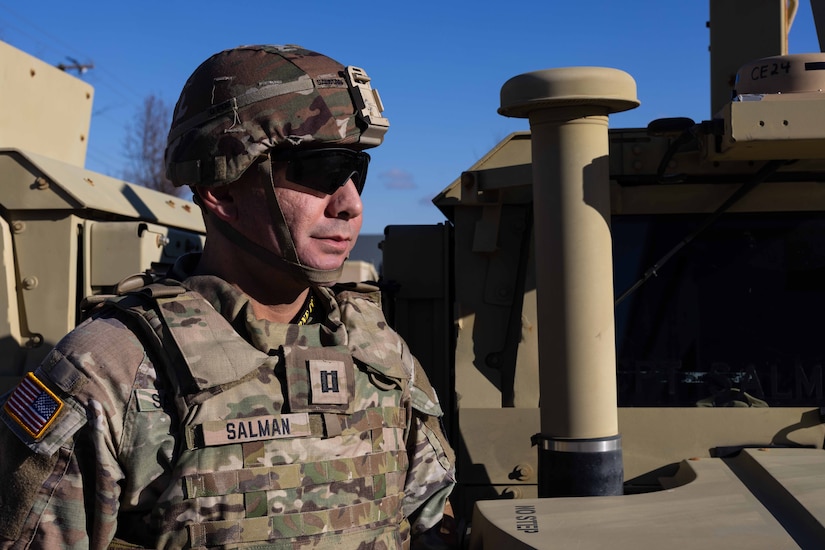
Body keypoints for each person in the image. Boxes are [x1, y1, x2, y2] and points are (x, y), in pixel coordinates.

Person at [0, 44, 456, 549]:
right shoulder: (109, 371)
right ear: (222, 189)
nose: (350, 204)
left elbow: (432, 525)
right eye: (322, 171)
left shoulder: (379, 347)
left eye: (356, 173)